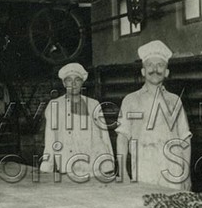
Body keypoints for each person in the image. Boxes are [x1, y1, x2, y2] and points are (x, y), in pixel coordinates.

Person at [116, 40, 192, 190]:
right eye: (150, 65)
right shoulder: (130, 100)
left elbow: (185, 139)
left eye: (160, 65)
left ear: (167, 72)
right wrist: (123, 171)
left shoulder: (174, 100)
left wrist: (186, 174)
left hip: (173, 168)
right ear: (143, 71)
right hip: (144, 167)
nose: (155, 69)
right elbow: (122, 137)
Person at [39, 63, 115, 181]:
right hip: (67, 165)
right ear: (64, 83)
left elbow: (104, 136)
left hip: (94, 165)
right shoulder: (55, 105)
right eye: (69, 80)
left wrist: (109, 164)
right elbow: (50, 139)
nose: (73, 84)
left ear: (82, 82)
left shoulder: (93, 104)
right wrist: (47, 166)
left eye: (77, 80)